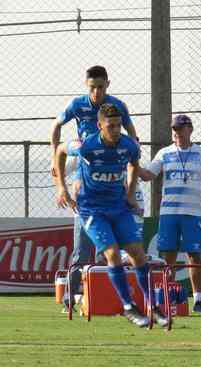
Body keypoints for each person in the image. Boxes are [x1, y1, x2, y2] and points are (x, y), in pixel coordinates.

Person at [54, 103, 167, 328]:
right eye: (111, 126)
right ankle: (128, 306)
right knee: (113, 253)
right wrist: (61, 188)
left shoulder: (128, 145)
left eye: (118, 125)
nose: (116, 130)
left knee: (138, 254)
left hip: (118, 206)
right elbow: (59, 151)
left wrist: (131, 192)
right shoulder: (86, 145)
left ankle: (152, 306)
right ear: (100, 125)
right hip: (92, 209)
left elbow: (134, 164)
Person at [49, 65, 137, 312]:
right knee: (83, 246)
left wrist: (131, 158)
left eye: (100, 87)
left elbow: (132, 133)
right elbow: (56, 126)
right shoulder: (77, 104)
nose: (96, 92)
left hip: (109, 168)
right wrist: (52, 157)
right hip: (84, 160)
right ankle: (69, 296)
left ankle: (104, 297)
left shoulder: (116, 107)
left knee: (107, 247)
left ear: (108, 84)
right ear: (86, 86)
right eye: (92, 87)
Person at [139, 114, 201, 313]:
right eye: (174, 129)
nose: (177, 133)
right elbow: (148, 175)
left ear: (190, 129)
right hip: (169, 213)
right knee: (168, 256)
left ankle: (198, 300)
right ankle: (167, 297)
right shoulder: (164, 153)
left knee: (194, 255)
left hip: (193, 213)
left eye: (181, 128)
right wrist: (132, 163)